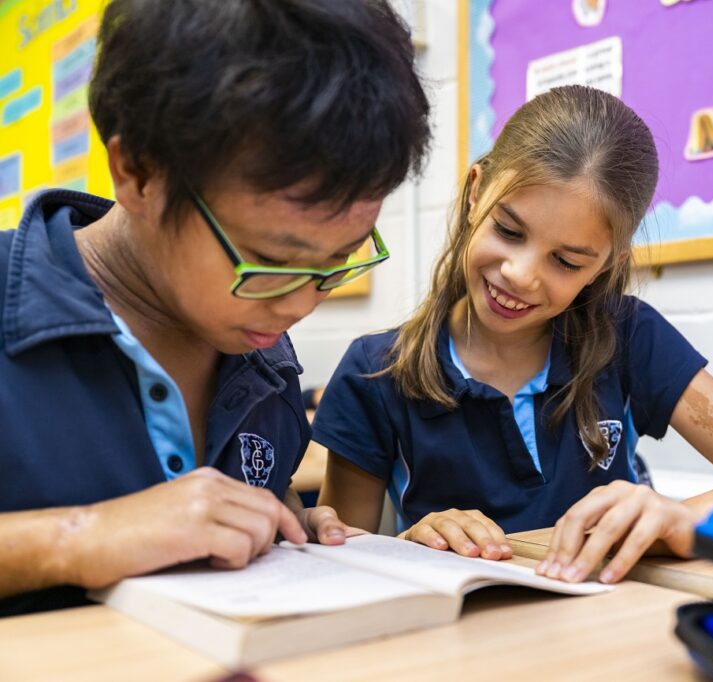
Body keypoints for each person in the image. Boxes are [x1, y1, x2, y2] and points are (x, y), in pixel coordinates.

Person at [0, 0, 430, 615]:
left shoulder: (260, 356)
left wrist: (286, 532)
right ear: (140, 171)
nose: (300, 304)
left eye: (337, 262)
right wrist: (75, 538)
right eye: (268, 261)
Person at [312, 85, 713, 585]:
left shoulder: (629, 336)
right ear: (476, 194)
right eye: (508, 231)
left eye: (566, 261)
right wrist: (405, 544)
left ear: (607, 264)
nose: (520, 273)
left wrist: (678, 518)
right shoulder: (375, 370)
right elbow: (342, 559)